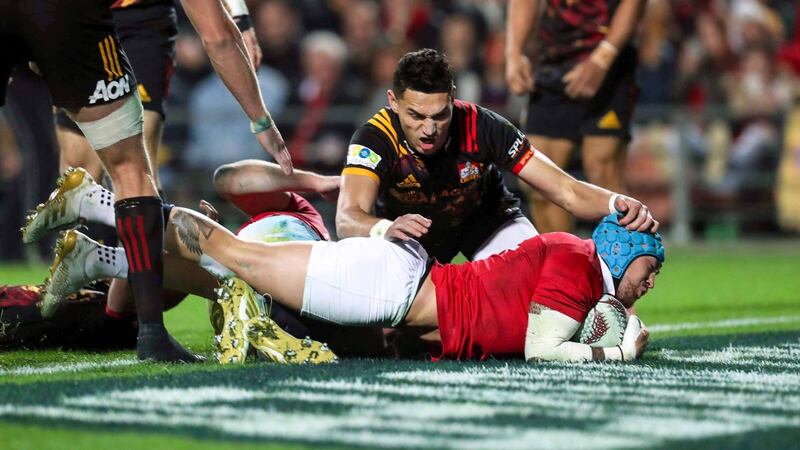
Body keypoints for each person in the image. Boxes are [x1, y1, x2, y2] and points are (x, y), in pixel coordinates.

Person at [3, 0, 292, 362]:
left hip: (134, 20)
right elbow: (217, 35)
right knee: (127, 168)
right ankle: (136, 316)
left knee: (127, 161)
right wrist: (261, 119)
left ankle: (100, 274)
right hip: (71, 17)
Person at [161, 209, 662, 362]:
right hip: (391, 288)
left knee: (243, 284)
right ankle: (106, 206)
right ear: (621, 248)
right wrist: (615, 354)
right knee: (236, 258)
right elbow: (541, 349)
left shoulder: (582, 269)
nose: (653, 280)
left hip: (399, 306)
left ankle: (109, 256)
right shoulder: (577, 259)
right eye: (650, 264)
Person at [335, 49, 657, 265]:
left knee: (532, 276)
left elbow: (566, 190)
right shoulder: (375, 137)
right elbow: (348, 217)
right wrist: (384, 228)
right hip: (406, 231)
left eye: (441, 115)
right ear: (393, 101)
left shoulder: (484, 126)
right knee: (392, 325)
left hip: (484, 221)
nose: (429, 129)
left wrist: (619, 203)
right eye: (416, 116)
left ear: (453, 98)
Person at [16, 162, 339, 363]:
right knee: (239, 276)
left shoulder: (241, 244)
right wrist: (316, 182)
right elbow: (229, 178)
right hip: (282, 271)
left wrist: (208, 244)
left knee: (233, 284)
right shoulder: (305, 220)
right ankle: (99, 205)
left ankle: (98, 258)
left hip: (261, 290)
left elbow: (117, 306)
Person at [505, 0, 646, 233]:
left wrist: (602, 59)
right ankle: (565, 267)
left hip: (611, 62)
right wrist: (514, 52)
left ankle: (628, 267)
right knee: (539, 182)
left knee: (603, 171)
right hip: (553, 59)